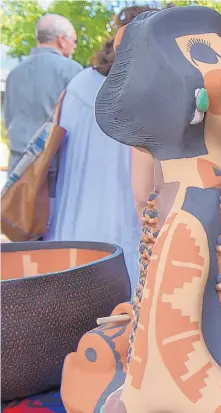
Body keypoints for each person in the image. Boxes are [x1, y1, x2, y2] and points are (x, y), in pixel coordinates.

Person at [45, 6, 158, 291]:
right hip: (121, 237)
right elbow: (142, 193)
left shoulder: (75, 85)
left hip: (67, 229)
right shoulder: (139, 93)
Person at [3, 14, 82, 171]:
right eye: (74, 41)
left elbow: (8, 118)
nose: (75, 46)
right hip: (53, 166)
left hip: (18, 167)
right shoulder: (73, 71)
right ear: (61, 39)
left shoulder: (14, 73)